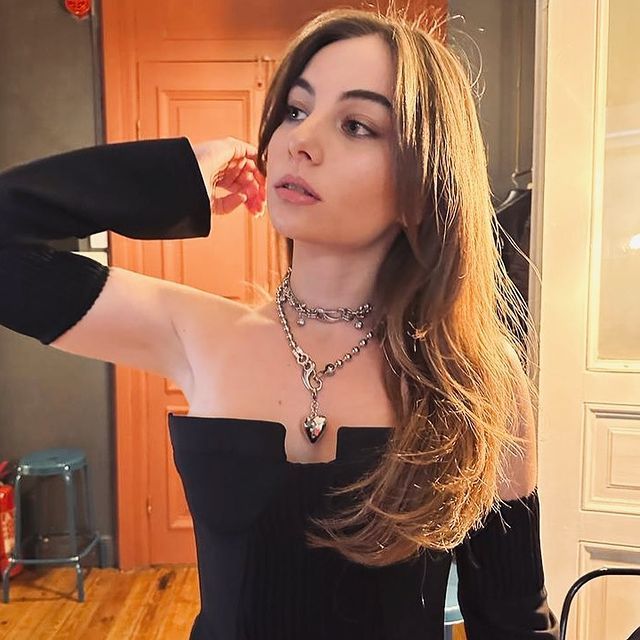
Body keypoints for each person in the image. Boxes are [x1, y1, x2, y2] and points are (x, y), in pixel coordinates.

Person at [0, 7, 559, 640]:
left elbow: (514, 623)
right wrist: (175, 177)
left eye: (356, 125)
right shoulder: (200, 333)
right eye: (295, 110)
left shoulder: (476, 382)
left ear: (424, 182)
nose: (300, 141)